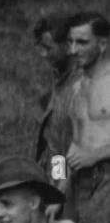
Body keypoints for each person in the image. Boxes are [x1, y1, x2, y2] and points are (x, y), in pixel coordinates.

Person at [63, 14, 110, 223]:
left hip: (105, 179)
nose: (72, 50)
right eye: (70, 42)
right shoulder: (76, 86)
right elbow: (68, 141)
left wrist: (95, 155)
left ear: (102, 44)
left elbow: (88, 149)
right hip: (77, 182)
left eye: (82, 42)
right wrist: (57, 185)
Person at [33, 16, 74, 172]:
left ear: (67, 45)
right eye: (41, 47)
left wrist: (59, 180)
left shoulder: (79, 85)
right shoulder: (58, 77)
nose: (43, 54)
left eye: (48, 48)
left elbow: (65, 146)